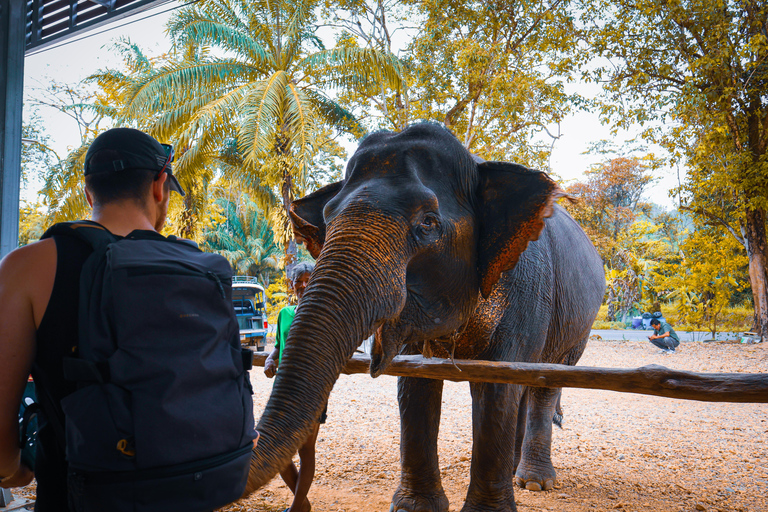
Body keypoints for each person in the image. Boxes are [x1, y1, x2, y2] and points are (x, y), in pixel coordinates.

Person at [0, 128, 186, 507]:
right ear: (159, 185)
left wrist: (12, 470)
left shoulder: (27, 266)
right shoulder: (198, 267)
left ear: (88, 193)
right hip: (188, 489)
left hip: (76, 493)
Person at [264, 261, 324, 512]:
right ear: (292, 285)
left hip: (313, 388)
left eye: (308, 279)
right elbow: (279, 345)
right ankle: (303, 505)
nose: (302, 284)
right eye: (298, 280)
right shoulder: (285, 314)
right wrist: (269, 358)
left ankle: (297, 506)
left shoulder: (324, 312)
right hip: (283, 390)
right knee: (275, 452)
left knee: (306, 449)